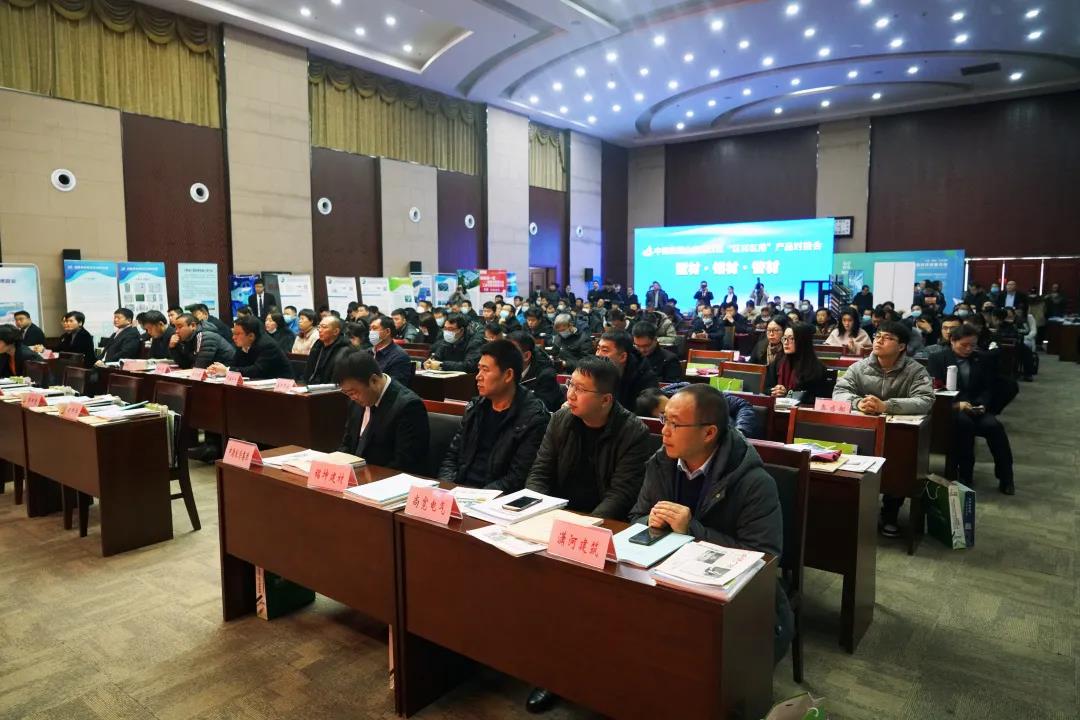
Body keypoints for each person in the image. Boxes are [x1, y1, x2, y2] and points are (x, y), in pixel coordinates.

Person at [628, 384, 792, 662]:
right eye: (664, 419)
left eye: (675, 424)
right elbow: (636, 518)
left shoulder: (754, 482)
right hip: (667, 584)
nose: (664, 431)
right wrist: (651, 520)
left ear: (709, 433)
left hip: (730, 602)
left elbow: (764, 559)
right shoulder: (662, 462)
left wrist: (690, 530)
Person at [832, 321, 935, 537]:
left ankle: (890, 512)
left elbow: (925, 400)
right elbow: (839, 391)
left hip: (897, 433)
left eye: (887, 338)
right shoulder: (860, 367)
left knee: (899, 461)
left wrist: (886, 406)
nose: (879, 341)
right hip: (863, 430)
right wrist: (858, 403)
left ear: (901, 346)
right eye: (877, 336)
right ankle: (853, 510)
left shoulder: (915, 371)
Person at [525, 356, 651, 521]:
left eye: (580, 389)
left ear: (605, 400)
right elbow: (540, 473)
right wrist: (536, 512)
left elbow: (621, 494)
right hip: (556, 514)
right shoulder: (560, 419)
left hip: (602, 521)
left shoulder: (633, 432)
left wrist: (586, 524)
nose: (570, 395)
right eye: (571, 385)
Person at [438, 340, 550, 490]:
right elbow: (451, 457)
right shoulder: (475, 407)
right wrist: (447, 488)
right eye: (479, 369)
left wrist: (477, 497)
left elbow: (516, 478)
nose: (478, 376)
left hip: (495, 498)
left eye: (485, 370)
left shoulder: (533, 417)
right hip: (461, 490)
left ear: (508, 375)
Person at [927, 324, 1014, 495]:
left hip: (975, 407)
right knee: (964, 425)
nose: (968, 349)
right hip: (951, 408)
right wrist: (957, 405)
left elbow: (987, 388)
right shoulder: (938, 358)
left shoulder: (981, 359)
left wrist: (983, 404)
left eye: (972, 345)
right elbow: (935, 387)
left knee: (995, 427)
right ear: (952, 341)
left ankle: (1006, 477)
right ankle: (965, 474)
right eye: (964, 345)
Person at [335, 350, 429, 474]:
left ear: (373, 380)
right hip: (357, 475)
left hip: (386, 479)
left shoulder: (409, 406)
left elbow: (405, 464)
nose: (352, 398)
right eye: (347, 393)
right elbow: (347, 443)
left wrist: (366, 476)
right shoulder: (355, 401)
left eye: (353, 392)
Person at [636, 384, 762, 439]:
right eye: (665, 416)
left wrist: (740, 432)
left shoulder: (696, 395)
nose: (672, 408)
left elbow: (742, 405)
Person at [210, 315, 291, 380]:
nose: (233, 337)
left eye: (237, 334)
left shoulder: (268, 345)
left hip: (280, 387)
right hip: (257, 383)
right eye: (233, 333)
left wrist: (227, 370)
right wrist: (218, 368)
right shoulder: (243, 343)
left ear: (251, 336)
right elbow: (235, 364)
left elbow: (257, 370)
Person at [765, 322, 828, 403]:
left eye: (791, 338)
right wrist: (774, 391)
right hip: (776, 406)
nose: (786, 342)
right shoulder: (779, 360)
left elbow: (815, 398)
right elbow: (766, 388)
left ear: (802, 341)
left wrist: (788, 394)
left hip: (801, 409)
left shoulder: (816, 368)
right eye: (784, 338)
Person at [595, 331, 657, 411]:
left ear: (623, 357)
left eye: (605, 350)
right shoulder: (595, 372)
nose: (598, 354)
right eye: (598, 349)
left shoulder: (645, 378)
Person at [508, 331, 562, 412]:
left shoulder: (546, 375)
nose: (504, 356)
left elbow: (540, 409)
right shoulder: (503, 371)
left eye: (510, 352)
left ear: (526, 356)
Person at [170, 313, 235, 369]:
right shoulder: (189, 339)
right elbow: (185, 365)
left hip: (230, 372)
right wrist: (173, 347)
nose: (176, 331)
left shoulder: (205, 336)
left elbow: (200, 366)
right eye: (175, 328)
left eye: (180, 327)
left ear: (193, 326)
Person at [368, 315, 415, 387]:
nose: (371, 332)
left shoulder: (400, 356)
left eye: (374, 328)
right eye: (370, 329)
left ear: (387, 331)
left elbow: (396, 387)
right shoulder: (367, 352)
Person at [304, 316, 350, 385]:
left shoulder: (344, 350)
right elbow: (309, 369)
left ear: (336, 331)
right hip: (312, 386)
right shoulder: (318, 344)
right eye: (319, 327)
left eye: (324, 327)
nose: (320, 330)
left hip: (330, 389)